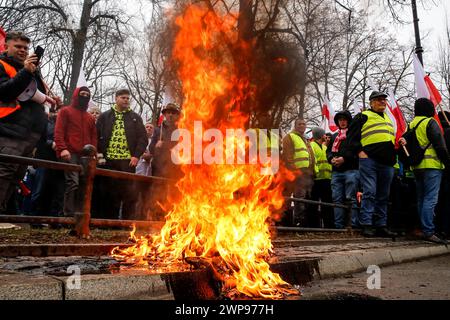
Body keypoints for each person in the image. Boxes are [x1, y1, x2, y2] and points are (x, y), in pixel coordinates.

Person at [0, 31, 58, 213]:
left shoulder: (32, 70)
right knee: (4, 174)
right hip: (9, 132)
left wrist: (50, 100)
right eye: (18, 46)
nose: (22, 50)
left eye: (26, 47)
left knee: (15, 178)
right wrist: (25, 71)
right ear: (6, 46)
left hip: (30, 134)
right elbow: (5, 92)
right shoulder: (2, 66)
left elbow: (34, 97)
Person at [345, 91, 397, 237]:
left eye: (384, 100)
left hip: (387, 162)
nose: (383, 102)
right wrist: (360, 152)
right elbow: (351, 137)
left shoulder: (388, 118)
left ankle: (381, 225)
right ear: (371, 102)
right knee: (370, 192)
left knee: (383, 195)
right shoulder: (363, 116)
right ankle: (366, 224)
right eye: (379, 100)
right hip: (369, 161)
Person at [399, 99, 450, 244]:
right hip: (432, 166)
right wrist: (447, 162)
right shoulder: (430, 122)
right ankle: (428, 230)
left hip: (417, 167)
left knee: (421, 198)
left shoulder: (411, 124)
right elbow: (440, 146)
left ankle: (423, 228)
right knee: (430, 199)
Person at [96, 89, 147, 220]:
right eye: (123, 97)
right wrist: (100, 155)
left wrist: (136, 155)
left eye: (127, 98)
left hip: (127, 161)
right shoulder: (105, 116)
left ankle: (125, 223)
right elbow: (96, 136)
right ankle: (107, 221)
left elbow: (143, 138)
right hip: (109, 161)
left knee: (128, 193)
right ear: (116, 98)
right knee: (109, 192)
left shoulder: (135, 117)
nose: (126, 100)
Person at [54, 87, 97, 217]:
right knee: (73, 183)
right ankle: (68, 215)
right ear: (76, 95)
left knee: (84, 185)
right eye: (82, 94)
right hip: (70, 153)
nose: (84, 96)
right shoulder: (65, 111)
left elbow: (94, 137)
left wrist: (94, 154)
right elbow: (59, 131)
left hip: (86, 156)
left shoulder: (90, 117)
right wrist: (62, 148)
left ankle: (80, 214)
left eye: (87, 94)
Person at [148, 103, 183, 220]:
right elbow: (151, 148)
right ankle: (156, 218)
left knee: (174, 193)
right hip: (159, 167)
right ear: (164, 114)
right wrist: (156, 146)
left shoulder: (181, 130)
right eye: (168, 112)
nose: (171, 115)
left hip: (175, 168)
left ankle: (173, 219)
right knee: (158, 193)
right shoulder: (158, 130)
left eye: (173, 113)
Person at [327, 111, 360, 229]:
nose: (342, 121)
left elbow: (356, 151)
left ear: (349, 121)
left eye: (345, 119)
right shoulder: (334, 137)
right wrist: (331, 159)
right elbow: (329, 152)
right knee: (337, 200)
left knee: (351, 198)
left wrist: (344, 158)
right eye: (340, 120)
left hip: (351, 170)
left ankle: (353, 226)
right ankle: (339, 227)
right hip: (336, 172)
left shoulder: (355, 135)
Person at [281, 118, 315, 227]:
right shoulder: (290, 137)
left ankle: (301, 222)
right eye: (299, 124)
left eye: (304, 124)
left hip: (306, 174)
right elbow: (288, 156)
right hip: (296, 173)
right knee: (298, 198)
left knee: (303, 198)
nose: (302, 126)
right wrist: (295, 171)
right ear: (295, 126)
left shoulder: (305, 139)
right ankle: (296, 223)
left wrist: (311, 171)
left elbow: (310, 157)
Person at [309, 127, 333, 228]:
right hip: (316, 180)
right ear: (320, 135)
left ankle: (328, 226)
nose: (325, 136)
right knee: (313, 204)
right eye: (324, 134)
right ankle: (314, 226)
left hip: (327, 179)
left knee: (327, 204)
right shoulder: (311, 146)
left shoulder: (324, 147)